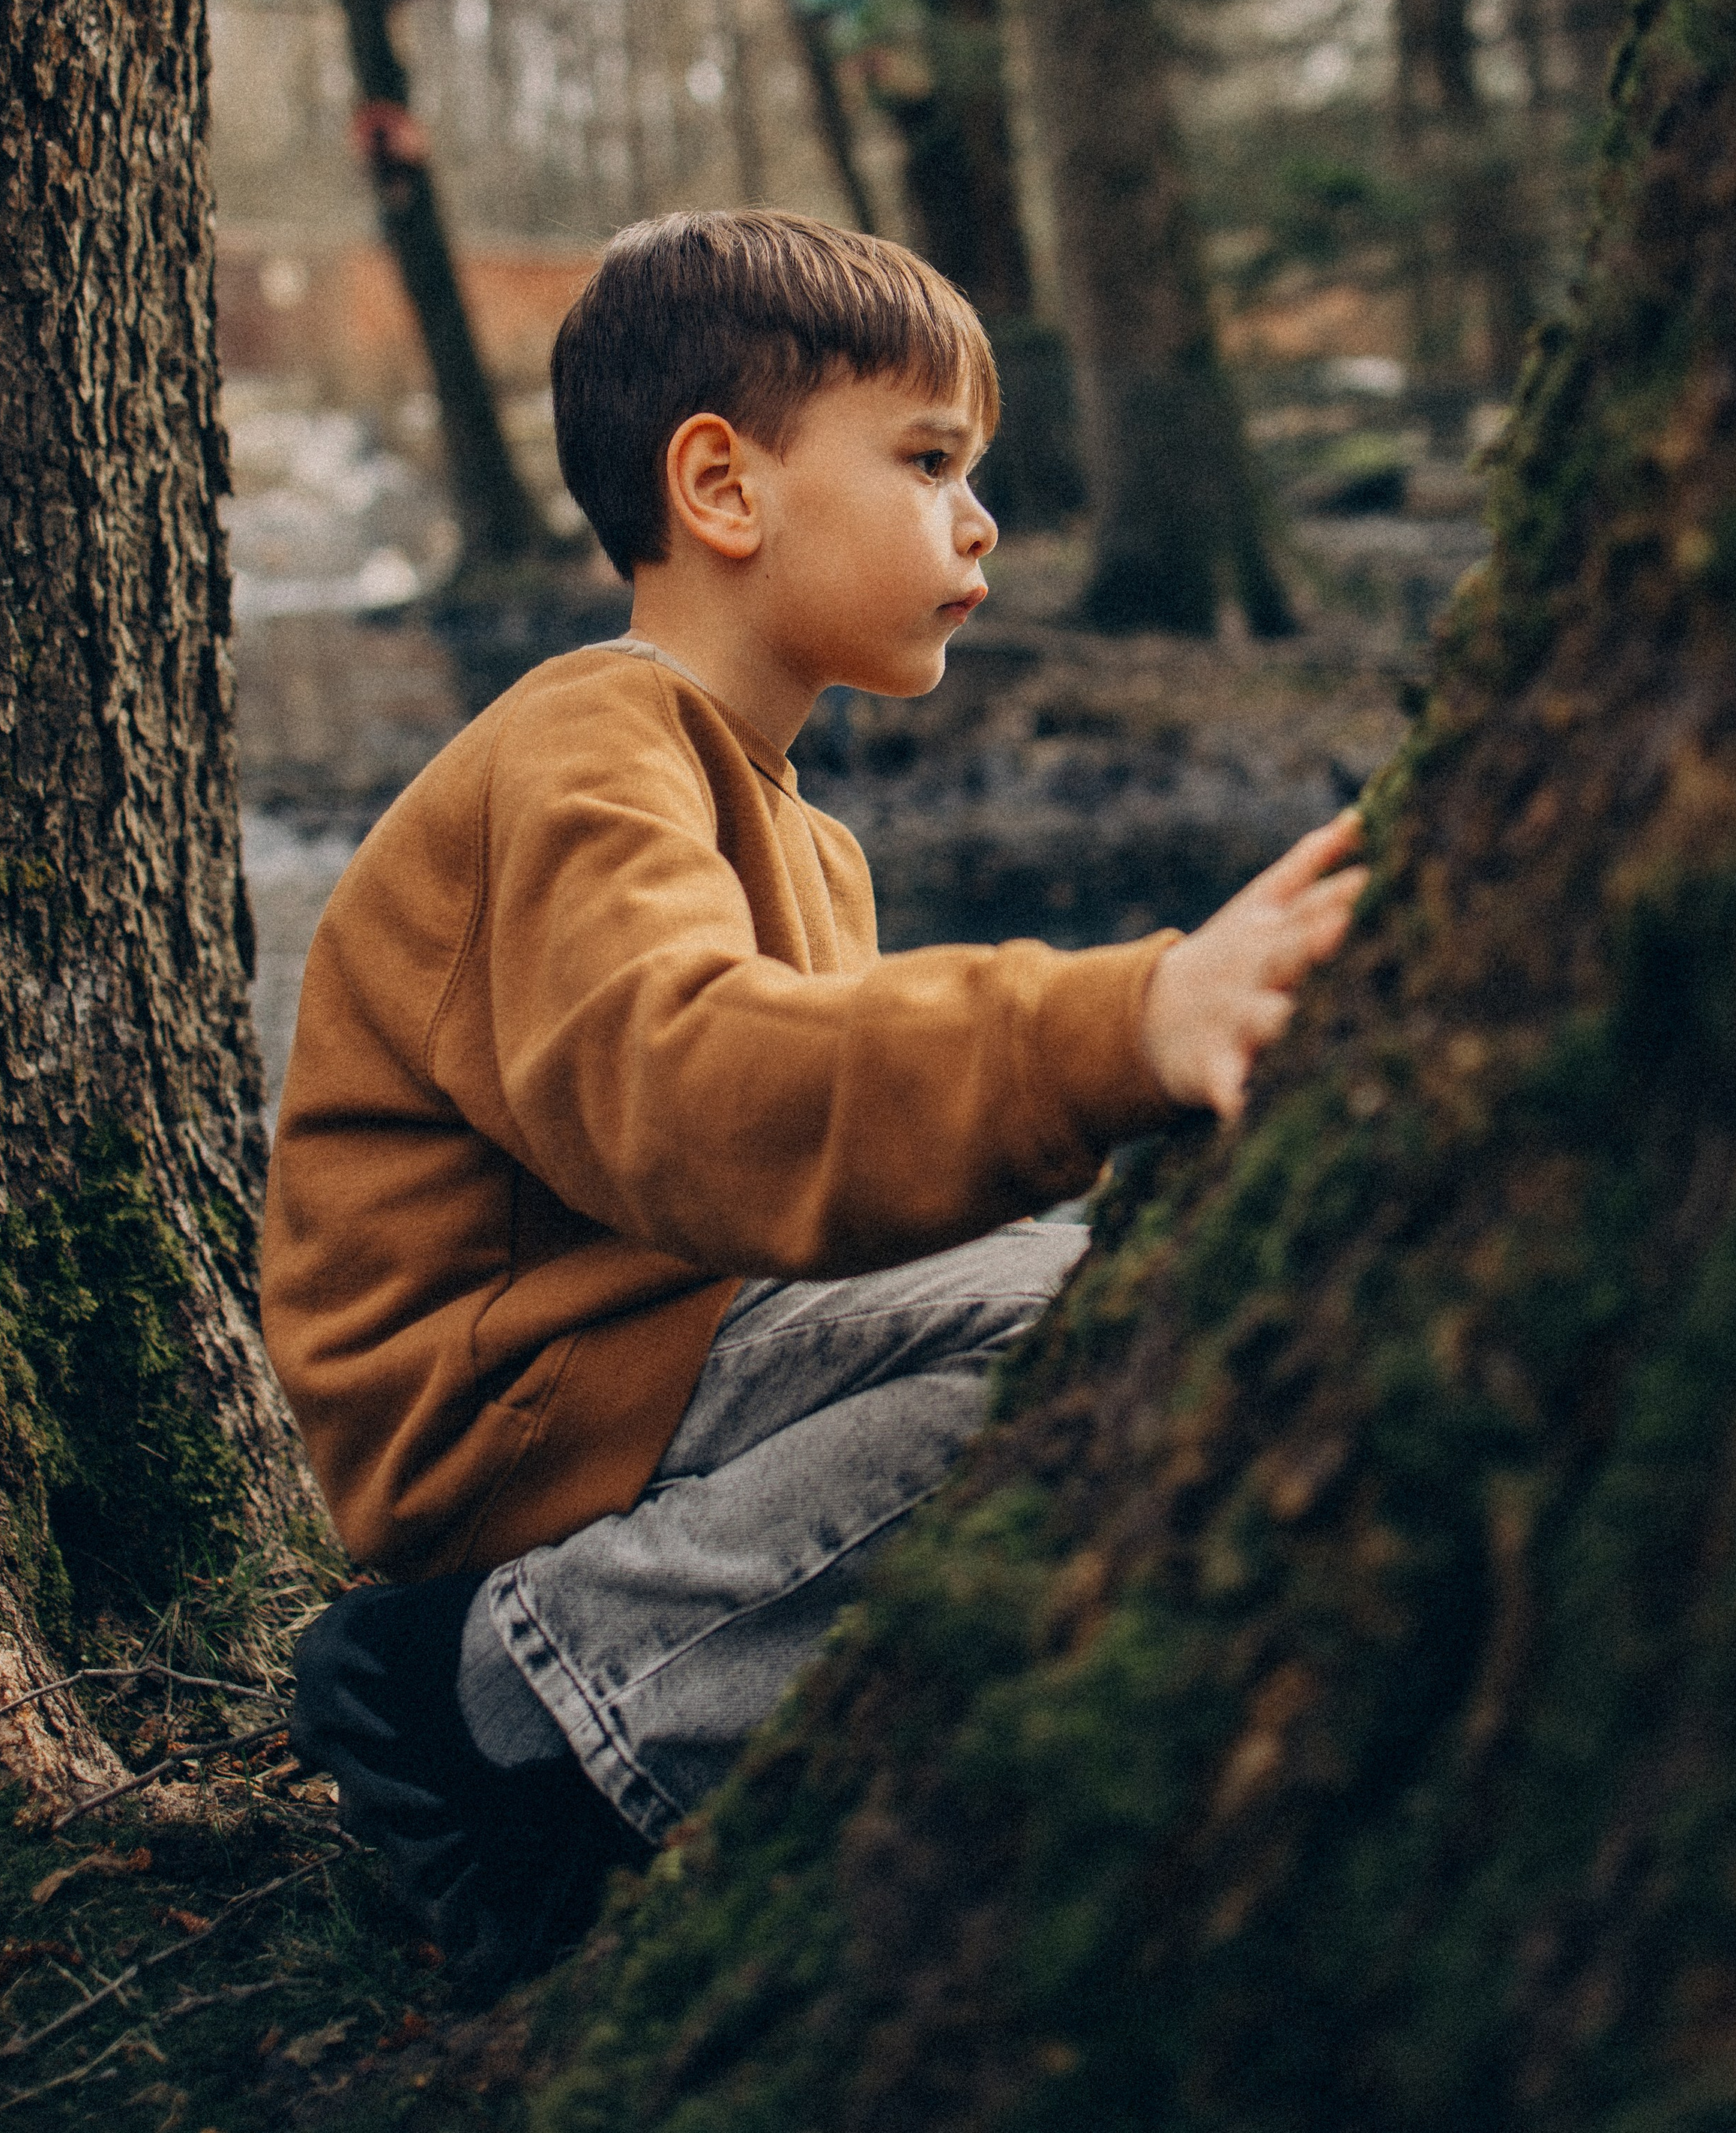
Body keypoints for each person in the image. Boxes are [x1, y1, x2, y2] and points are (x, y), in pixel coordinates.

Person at [265, 208, 1364, 1997]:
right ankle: (513, 1697)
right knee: (1088, 1338)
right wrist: (1121, 1020)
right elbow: (702, 1099)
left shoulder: (806, 839)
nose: (978, 519)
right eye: (929, 462)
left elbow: (843, 1170)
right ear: (721, 485)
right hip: (517, 1403)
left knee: (1122, 1294)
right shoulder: (582, 753)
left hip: (676, 1345)